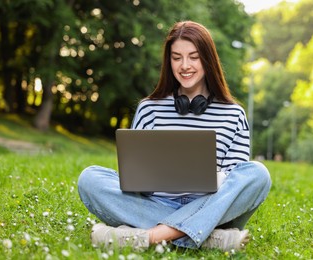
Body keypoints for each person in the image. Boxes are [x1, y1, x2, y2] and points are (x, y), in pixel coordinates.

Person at [77, 20, 271, 252]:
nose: (184, 65)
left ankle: (150, 236)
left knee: (257, 174)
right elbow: (136, 179)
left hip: (209, 205)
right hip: (157, 202)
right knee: (90, 178)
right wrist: (146, 180)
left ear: (208, 60)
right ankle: (210, 238)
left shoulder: (233, 114)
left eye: (194, 57)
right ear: (169, 61)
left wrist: (211, 178)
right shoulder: (150, 109)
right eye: (176, 57)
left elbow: (233, 184)